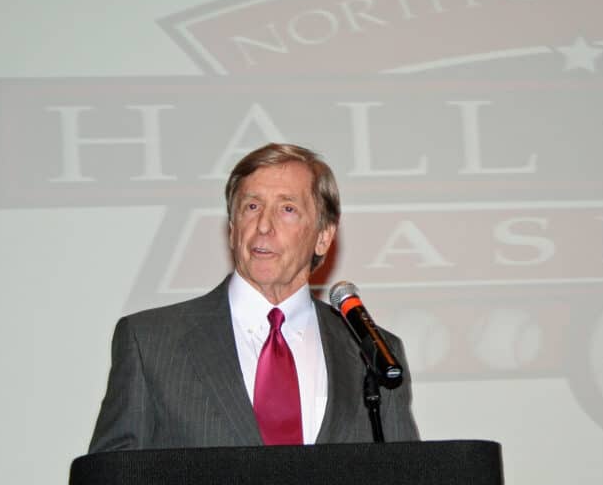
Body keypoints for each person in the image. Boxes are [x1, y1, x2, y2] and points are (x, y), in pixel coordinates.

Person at [88, 143, 419, 451]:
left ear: (323, 236)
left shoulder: (375, 356)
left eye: (287, 209)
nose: (263, 226)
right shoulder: (151, 343)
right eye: (251, 206)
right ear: (232, 228)